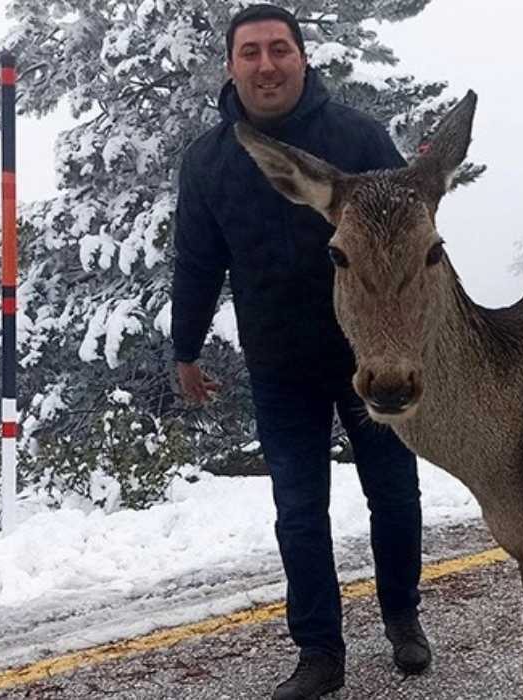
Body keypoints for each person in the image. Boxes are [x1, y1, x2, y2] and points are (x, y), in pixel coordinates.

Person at [170, 5, 431, 699]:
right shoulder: (208, 162)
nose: (266, 65)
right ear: (230, 66)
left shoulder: (357, 135)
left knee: (396, 495)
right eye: (250, 52)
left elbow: (416, 237)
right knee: (298, 511)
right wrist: (185, 347)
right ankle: (319, 652)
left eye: (279, 50)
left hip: (371, 360)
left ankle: (403, 616)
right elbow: (197, 262)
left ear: (303, 59)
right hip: (280, 363)